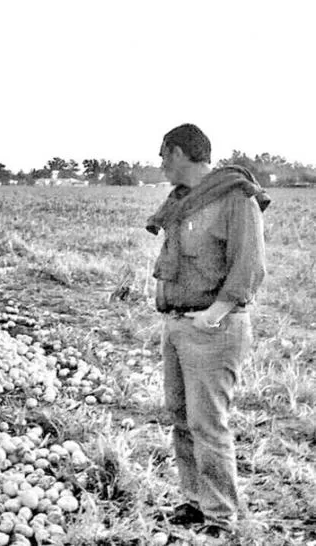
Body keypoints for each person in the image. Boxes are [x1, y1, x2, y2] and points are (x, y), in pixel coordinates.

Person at [146, 124, 269, 540]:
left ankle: (220, 517)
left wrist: (213, 315)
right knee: (181, 418)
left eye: (164, 155)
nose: (161, 164)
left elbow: (249, 267)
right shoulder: (182, 202)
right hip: (179, 323)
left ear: (180, 152)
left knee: (208, 423)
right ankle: (194, 501)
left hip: (212, 328)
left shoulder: (236, 197)